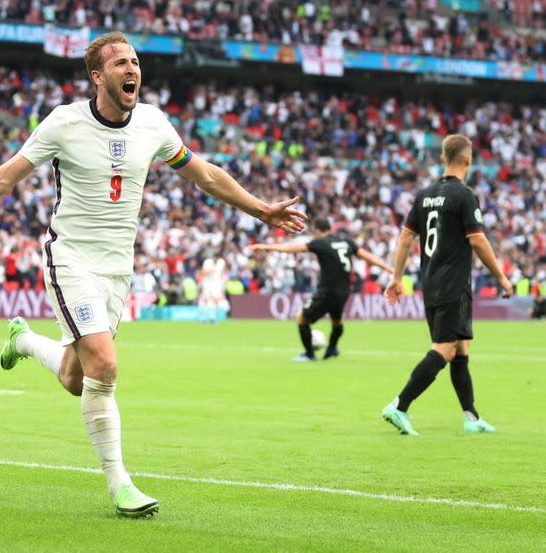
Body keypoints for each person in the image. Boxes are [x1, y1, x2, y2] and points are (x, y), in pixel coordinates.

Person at [0, 32, 307, 517]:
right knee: (104, 366)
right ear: (97, 76)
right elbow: (2, 178)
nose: (132, 69)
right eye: (121, 63)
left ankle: (22, 341)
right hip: (71, 258)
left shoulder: (153, 124)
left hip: (117, 269)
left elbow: (205, 174)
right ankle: (121, 485)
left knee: (75, 377)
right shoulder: (64, 123)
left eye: (135, 61)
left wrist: (261, 210)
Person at [382, 134, 513, 436]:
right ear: (468, 159)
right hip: (453, 284)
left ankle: (471, 416)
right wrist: (501, 277)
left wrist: (396, 278)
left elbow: (405, 237)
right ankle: (399, 406)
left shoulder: (425, 195)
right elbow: (478, 239)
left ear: (443, 159)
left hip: (432, 283)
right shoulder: (465, 196)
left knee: (460, 349)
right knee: (443, 349)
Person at [249, 218, 393, 361]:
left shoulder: (320, 243)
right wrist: (390, 269)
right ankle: (332, 348)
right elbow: (368, 257)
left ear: (317, 230)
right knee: (337, 321)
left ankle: (310, 354)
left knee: (301, 318)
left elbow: (292, 248)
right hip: (344, 291)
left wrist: (265, 247)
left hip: (327, 291)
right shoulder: (346, 242)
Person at [198, 256, 227, 323]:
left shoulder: (221, 262)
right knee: (206, 299)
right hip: (207, 282)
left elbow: (223, 271)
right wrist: (210, 270)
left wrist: (223, 282)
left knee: (216, 299)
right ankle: (203, 317)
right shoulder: (207, 262)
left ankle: (213, 316)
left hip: (217, 282)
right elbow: (203, 273)